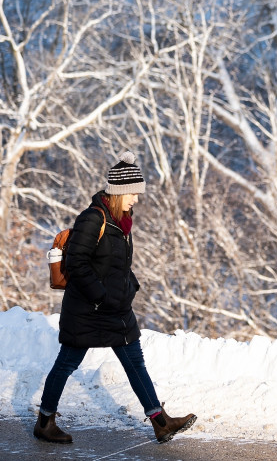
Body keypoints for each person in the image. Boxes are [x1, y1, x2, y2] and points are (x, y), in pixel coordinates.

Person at [34, 150, 197, 445]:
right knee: (67, 363)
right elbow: (77, 264)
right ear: (120, 192)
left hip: (115, 308)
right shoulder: (93, 219)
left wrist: (128, 286)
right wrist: (101, 296)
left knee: (135, 362)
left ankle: (160, 422)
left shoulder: (122, 220)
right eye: (133, 193)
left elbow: (117, 263)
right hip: (87, 310)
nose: (136, 199)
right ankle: (45, 421)